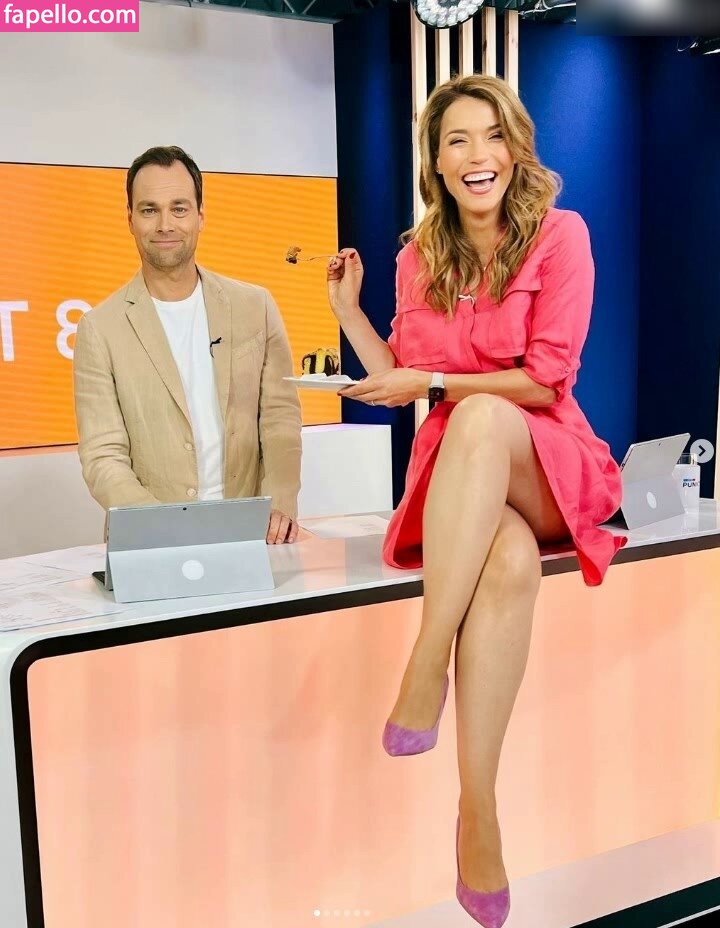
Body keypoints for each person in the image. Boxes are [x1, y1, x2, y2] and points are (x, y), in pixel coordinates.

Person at [326, 75, 627, 927]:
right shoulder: (417, 256)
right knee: (508, 562)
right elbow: (405, 376)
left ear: (516, 146)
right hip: (461, 476)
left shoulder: (561, 235)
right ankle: (479, 811)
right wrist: (348, 313)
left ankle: (427, 661)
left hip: (545, 460)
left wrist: (437, 384)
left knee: (485, 412)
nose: (476, 155)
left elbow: (546, 380)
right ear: (436, 162)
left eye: (491, 135)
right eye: (456, 140)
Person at [74, 146, 302, 545]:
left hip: (250, 531)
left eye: (179, 209)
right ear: (130, 219)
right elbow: (103, 456)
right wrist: (166, 528)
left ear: (200, 215)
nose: (165, 224)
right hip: (151, 541)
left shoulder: (256, 306)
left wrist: (280, 502)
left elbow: (280, 418)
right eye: (149, 210)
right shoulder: (99, 328)